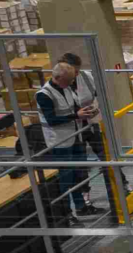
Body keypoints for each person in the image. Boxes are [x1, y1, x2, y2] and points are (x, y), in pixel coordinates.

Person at [35, 59, 108, 218]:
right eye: (69, 81)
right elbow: (51, 120)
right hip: (60, 142)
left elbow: (74, 108)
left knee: (78, 174)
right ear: (58, 78)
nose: (72, 83)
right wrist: (76, 115)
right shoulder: (43, 95)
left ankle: (81, 207)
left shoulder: (67, 88)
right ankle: (66, 214)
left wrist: (87, 112)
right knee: (66, 178)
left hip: (76, 137)